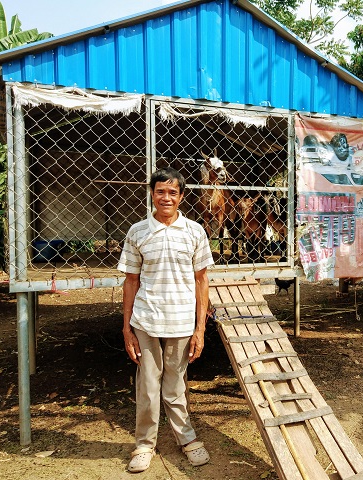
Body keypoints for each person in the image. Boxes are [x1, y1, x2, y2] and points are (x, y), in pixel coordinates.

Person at [117, 167, 214, 473]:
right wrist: (126, 328)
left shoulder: (195, 231)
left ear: (182, 196)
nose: (166, 197)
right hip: (146, 320)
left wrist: (200, 329)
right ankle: (145, 444)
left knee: (175, 385)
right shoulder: (137, 232)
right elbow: (131, 281)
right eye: (161, 191)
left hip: (182, 321)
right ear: (152, 194)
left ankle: (187, 439)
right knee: (147, 384)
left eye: (173, 192)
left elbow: (202, 282)